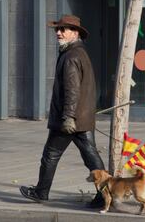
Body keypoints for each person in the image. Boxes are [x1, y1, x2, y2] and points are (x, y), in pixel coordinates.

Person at [20, 15, 105, 207]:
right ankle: (104, 195)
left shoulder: (71, 56)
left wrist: (68, 117)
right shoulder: (79, 53)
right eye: (57, 30)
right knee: (90, 155)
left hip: (70, 119)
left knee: (50, 155)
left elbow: (72, 90)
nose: (58, 33)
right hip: (81, 118)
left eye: (63, 29)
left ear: (75, 33)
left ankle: (41, 192)